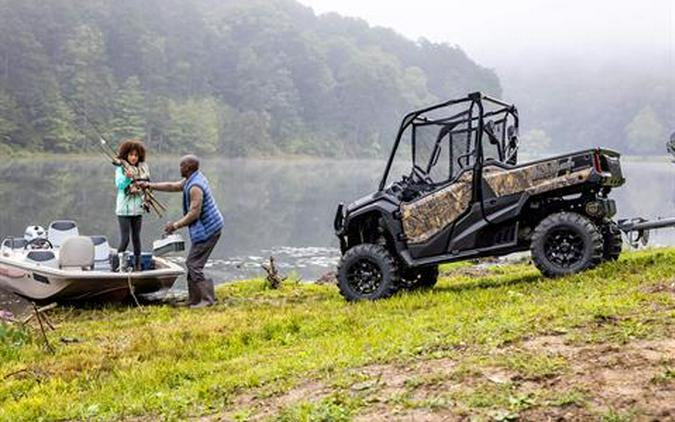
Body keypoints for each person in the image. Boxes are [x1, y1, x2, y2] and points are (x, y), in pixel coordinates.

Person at [139, 155, 224, 308]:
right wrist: (149, 186)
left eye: (182, 165)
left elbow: (194, 214)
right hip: (208, 227)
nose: (180, 168)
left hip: (209, 229)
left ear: (188, 168)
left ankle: (207, 299)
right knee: (193, 263)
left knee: (193, 264)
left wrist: (175, 225)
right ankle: (195, 299)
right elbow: (172, 186)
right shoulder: (192, 179)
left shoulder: (195, 187)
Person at [115, 139, 149, 272]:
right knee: (125, 239)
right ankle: (118, 266)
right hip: (124, 210)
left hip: (138, 210)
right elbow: (120, 185)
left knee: (136, 238)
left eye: (136, 155)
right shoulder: (121, 169)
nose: (133, 157)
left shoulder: (142, 169)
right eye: (131, 155)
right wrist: (128, 177)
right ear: (126, 155)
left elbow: (147, 184)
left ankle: (137, 266)